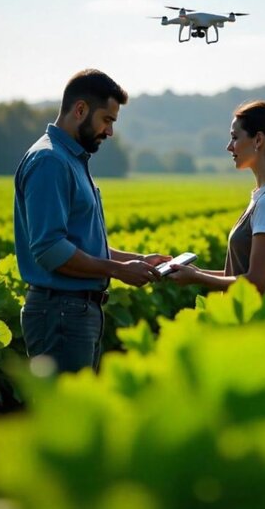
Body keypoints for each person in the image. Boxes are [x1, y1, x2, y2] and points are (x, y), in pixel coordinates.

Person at [14, 69, 171, 373]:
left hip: (74, 312)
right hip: (61, 312)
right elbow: (51, 250)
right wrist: (119, 270)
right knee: (67, 416)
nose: (110, 132)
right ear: (80, 110)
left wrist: (137, 261)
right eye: (107, 120)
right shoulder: (50, 161)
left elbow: (79, 245)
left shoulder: (69, 159)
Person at [167, 100, 265, 298]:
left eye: (234, 138)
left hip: (262, 323)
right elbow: (239, 275)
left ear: (258, 140)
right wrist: (196, 273)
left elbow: (256, 282)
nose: (229, 147)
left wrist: (197, 278)